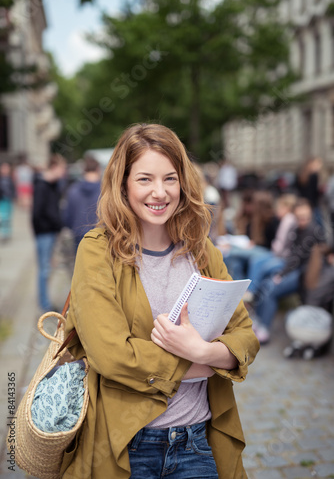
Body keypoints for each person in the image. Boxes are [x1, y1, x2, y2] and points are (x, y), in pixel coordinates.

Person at [60, 123, 259, 479]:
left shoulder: (202, 249)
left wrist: (204, 353)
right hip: (128, 444)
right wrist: (204, 361)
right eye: (144, 179)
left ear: (183, 181)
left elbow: (245, 336)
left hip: (198, 441)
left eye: (170, 178)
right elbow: (111, 356)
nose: (159, 192)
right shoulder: (97, 250)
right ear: (123, 183)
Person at [252, 198, 326, 344]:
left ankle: (264, 329)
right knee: (266, 281)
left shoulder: (312, 230)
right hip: (295, 269)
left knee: (271, 287)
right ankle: (259, 322)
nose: (302, 221)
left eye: (305, 217)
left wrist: (281, 275)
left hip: (304, 274)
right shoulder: (298, 229)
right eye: (299, 218)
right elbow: (293, 256)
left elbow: (297, 258)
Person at [244, 193, 297, 302]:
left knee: (257, 262)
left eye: (279, 207)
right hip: (279, 254)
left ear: (286, 208)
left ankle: (251, 292)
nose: (277, 210)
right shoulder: (287, 220)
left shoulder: (287, 221)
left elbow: (280, 244)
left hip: (281, 256)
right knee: (256, 261)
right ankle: (250, 292)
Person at [32, 154, 67, 312]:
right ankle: (44, 303)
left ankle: (45, 300)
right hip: (44, 233)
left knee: (48, 267)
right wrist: (43, 230)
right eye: (62, 168)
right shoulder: (42, 186)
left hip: (51, 231)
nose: (64, 172)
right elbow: (37, 213)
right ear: (54, 167)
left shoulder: (53, 185)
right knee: (44, 268)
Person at [63, 156, 101, 251]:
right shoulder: (105, 190)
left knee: (80, 264)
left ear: (84, 170)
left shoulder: (73, 190)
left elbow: (67, 216)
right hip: (101, 235)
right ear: (98, 169)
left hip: (79, 234)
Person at [0, 162, 16, 241]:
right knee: (2, 217)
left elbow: (13, 189)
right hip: (2, 200)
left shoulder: (10, 179)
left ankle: (6, 233)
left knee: (7, 217)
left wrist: (15, 197)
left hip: (8, 200)